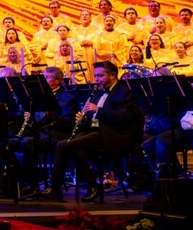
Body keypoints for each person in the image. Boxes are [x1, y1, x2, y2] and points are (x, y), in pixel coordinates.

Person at [44, 61, 142, 203]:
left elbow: (126, 116)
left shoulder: (124, 92)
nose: (97, 79)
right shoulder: (98, 92)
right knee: (64, 144)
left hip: (113, 135)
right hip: (95, 132)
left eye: (101, 76)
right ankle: (61, 188)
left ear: (113, 75)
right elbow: (92, 117)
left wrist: (98, 110)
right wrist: (83, 119)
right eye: (96, 76)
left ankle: (88, 186)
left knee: (70, 145)